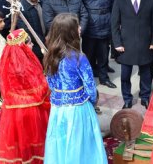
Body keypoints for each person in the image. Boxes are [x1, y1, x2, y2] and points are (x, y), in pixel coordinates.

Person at [43, 14, 108, 163]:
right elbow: (90, 86)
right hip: (78, 109)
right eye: (76, 26)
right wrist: (91, 102)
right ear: (70, 31)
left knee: (61, 141)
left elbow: (50, 83)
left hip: (58, 108)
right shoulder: (79, 57)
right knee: (80, 143)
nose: (80, 28)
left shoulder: (49, 55)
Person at [0, 29, 50, 163]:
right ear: (23, 45)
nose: (32, 45)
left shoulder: (8, 64)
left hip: (13, 113)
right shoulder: (27, 66)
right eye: (30, 43)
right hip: (31, 113)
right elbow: (39, 92)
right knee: (34, 142)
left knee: (21, 145)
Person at [111, 0, 153, 109]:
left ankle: (145, 97)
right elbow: (114, 23)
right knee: (125, 75)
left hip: (146, 43)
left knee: (146, 74)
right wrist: (117, 43)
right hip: (126, 45)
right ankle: (127, 98)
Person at [76, 0, 117, 89]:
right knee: (87, 55)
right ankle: (87, 79)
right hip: (88, 27)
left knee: (103, 55)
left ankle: (104, 78)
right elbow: (77, 8)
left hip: (105, 25)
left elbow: (116, 7)